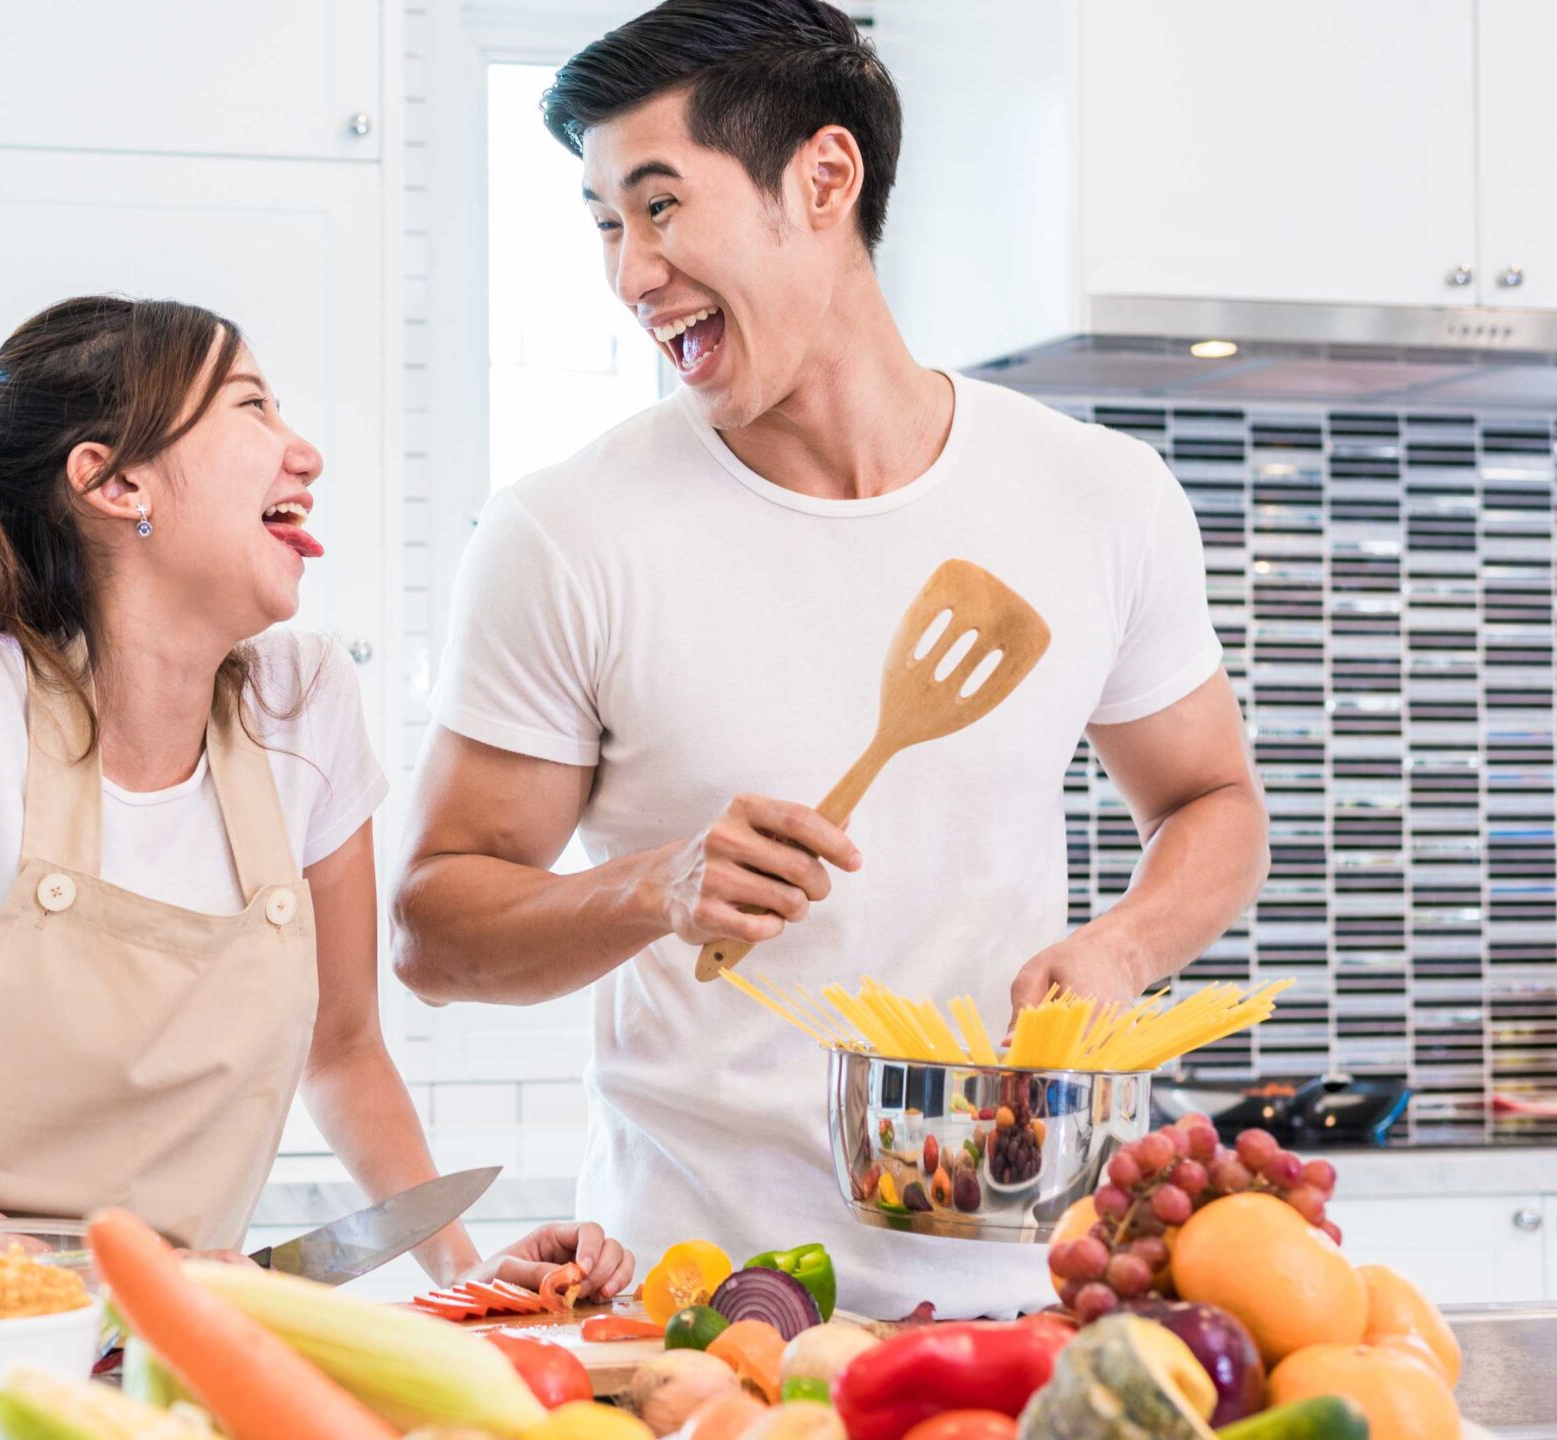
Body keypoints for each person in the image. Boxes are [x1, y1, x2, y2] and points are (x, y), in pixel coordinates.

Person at [391, 0, 1269, 1317]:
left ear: (823, 178)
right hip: (691, 1306)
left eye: (660, 207)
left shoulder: (1099, 496)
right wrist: (656, 885)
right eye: (603, 226)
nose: (630, 274)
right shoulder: (565, 534)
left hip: (1020, 1289)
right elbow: (435, 933)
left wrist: (1126, 947)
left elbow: (1214, 803)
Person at [0, 295, 630, 1294]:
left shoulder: (302, 704)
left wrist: (467, 1270)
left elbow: (345, 1048)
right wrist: (67, 1278)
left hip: (152, 1360)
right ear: (114, 481)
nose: (303, 452)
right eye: (250, 408)